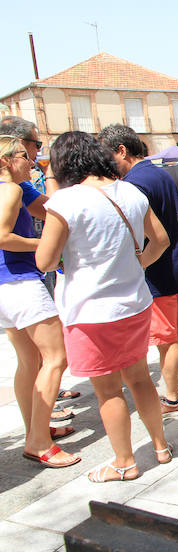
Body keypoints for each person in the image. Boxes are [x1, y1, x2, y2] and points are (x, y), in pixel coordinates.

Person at [35, 131, 172, 482]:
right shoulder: (129, 191)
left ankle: (125, 462)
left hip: (91, 312)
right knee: (140, 379)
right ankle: (160, 445)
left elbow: (46, 261)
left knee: (109, 391)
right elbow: (160, 240)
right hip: (135, 303)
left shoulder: (65, 201)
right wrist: (137, 264)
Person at [99, 125, 178, 418]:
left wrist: (140, 263)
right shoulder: (161, 173)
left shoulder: (132, 184)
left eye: (108, 154)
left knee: (165, 340)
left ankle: (172, 399)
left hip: (157, 271)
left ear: (121, 150)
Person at [0, 135, 80, 469]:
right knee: (56, 358)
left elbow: (50, 209)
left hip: (6, 288)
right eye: (24, 154)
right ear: (6, 159)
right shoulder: (11, 189)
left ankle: (37, 427)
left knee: (29, 360)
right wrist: (41, 244)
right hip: (20, 284)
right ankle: (37, 442)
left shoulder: (21, 188)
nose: (32, 159)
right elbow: (3, 235)